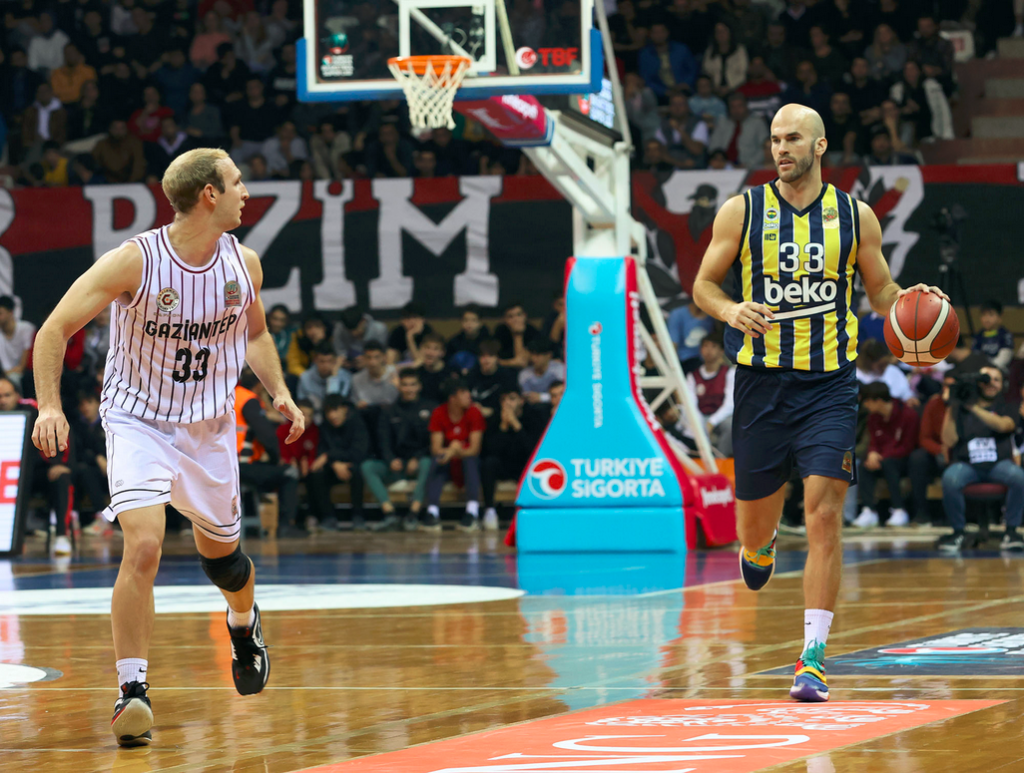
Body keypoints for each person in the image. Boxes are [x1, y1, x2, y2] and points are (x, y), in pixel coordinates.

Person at [29, 147, 305, 746]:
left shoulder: (245, 265)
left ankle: (242, 621)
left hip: (208, 431)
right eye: (236, 183)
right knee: (145, 545)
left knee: (226, 564)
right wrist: (49, 404)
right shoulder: (135, 262)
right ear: (209, 194)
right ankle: (132, 691)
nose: (245, 193)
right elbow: (53, 328)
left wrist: (278, 390)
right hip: (138, 421)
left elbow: (254, 335)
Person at [692, 103, 948, 703]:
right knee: (754, 531)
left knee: (825, 512)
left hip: (830, 384)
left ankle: (813, 659)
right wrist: (730, 309)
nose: (781, 148)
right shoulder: (742, 210)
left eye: (793, 139)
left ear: (820, 145)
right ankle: (759, 545)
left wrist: (910, 300)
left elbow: (879, 287)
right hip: (760, 384)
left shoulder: (855, 217)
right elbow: (704, 284)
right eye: (775, 140)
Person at [937, 366, 1023, 553]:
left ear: (1003, 384)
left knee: (1019, 477)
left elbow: (1004, 426)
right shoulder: (959, 408)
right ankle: (958, 532)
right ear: (977, 383)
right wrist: (953, 405)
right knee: (950, 478)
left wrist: (973, 407)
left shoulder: (1007, 405)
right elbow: (948, 440)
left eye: (996, 380)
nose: (991, 384)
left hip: (998, 464)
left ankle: (1011, 532)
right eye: (986, 379)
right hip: (968, 464)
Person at [362, 368, 434, 532]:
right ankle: (390, 514)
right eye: (405, 385)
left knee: (427, 462)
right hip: (396, 465)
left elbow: (433, 442)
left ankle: (413, 514)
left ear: (419, 387)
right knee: (368, 466)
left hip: (419, 464)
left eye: (412, 385)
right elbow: (383, 440)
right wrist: (390, 459)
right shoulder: (389, 411)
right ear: (399, 387)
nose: (409, 389)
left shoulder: (430, 408)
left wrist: (417, 457)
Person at [853, 382, 919, 528]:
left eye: (867, 402)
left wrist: (881, 456)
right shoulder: (873, 418)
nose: (865, 406)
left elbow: (907, 446)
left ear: (878, 401)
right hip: (882, 458)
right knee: (864, 465)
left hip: (903, 460)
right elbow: (873, 441)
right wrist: (872, 454)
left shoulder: (908, 414)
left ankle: (899, 510)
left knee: (889, 463)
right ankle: (869, 510)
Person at [424, 378, 485, 533]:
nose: (468, 396)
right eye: (463, 393)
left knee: (470, 460)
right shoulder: (439, 412)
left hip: (466, 461)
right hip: (448, 463)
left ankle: (472, 512)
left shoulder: (474, 412)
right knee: (437, 460)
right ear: (453, 398)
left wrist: (455, 450)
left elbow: (474, 449)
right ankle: (432, 512)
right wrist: (452, 450)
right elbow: (436, 448)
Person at [306, 394, 369, 531]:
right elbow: (320, 452)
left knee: (358, 471)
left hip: (352, 464)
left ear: (344, 409)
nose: (332, 415)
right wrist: (334, 463)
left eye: (335, 410)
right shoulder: (324, 427)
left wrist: (330, 456)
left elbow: (359, 452)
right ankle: (328, 517)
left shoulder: (357, 423)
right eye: (328, 411)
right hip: (333, 467)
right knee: (316, 474)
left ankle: (358, 516)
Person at [480, 390, 533, 533]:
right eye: (504, 400)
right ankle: (490, 510)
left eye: (512, 398)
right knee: (489, 463)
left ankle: (530, 513)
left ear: (521, 401)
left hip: (524, 466)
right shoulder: (495, 419)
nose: (508, 403)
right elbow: (491, 451)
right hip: (503, 466)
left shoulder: (531, 417)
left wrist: (516, 425)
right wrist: (503, 427)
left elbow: (532, 450)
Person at [685, 331, 735, 456]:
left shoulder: (730, 373)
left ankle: (721, 459)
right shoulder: (693, 376)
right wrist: (699, 424)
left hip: (721, 417)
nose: (708, 350)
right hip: (699, 416)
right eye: (705, 346)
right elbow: (690, 404)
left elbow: (730, 404)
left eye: (713, 346)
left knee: (731, 426)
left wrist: (711, 422)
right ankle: (693, 459)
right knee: (685, 422)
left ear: (721, 351)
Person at [708, 92, 769, 170]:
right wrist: (721, 162)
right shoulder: (722, 123)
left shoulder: (758, 123)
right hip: (723, 167)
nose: (736, 110)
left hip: (751, 168)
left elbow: (765, 149)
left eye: (739, 106)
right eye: (733, 107)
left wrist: (749, 164)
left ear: (746, 106)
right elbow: (713, 147)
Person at [297, 341, 350, 421]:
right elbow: (302, 406)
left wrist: (333, 377)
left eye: (330, 361)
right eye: (322, 361)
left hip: (335, 420)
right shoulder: (305, 378)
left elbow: (334, 405)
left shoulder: (345, 377)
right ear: (315, 360)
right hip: (313, 420)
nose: (326, 366)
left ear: (335, 361)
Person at [467, 338, 519, 419]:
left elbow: (511, 402)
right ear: (478, 358)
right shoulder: (472, 375)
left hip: (499, 417)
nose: (486, 360)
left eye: (491, 356)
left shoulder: (507, 376)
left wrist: (492, 411)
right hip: (473, 415)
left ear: (497, 358)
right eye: (483, 356)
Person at [667, 300, 716, 374]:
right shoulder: (677, 314)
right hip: (684, 362)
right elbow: (672, 346)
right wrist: (674, 370)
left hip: (707, 361)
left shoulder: (713, 317)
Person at [0, 296, 36, 391]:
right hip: (6, 374)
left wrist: (12, 372)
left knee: (14, 378)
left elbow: (22, 366)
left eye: (0, 313)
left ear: (11, 312)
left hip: (26, 372)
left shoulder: (27, 329)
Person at [350, 341, 399, 408]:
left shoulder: (396, 374)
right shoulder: (356, 379)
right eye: (368, 357)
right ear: (364, 358)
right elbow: (355, 403)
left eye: (377, 357)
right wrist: (359, 405)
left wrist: (399, 388)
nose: (372, 362)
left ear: (384, 357)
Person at [518, 338, 565, 404]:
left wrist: (542, 397)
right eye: (532, 354)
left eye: (538, 355)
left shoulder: (560, 370)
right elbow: (526, 396)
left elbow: (564, 395)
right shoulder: (524, 374)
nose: (534, 358)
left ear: (549, 355)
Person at [494, 302, 541, 369]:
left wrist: (518, 334)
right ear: (504, 320)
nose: (516, 319)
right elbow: (495, 360)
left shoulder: (532, 331)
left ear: (525, 316)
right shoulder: (500, 332)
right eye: (510, 317)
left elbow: (522, 362)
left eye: (519, 315)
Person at [446, 305, 490, 373]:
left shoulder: (488, 341)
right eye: (465, 320)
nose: (469, 324)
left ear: (480, 323)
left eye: (473, 320)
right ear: (461, 322)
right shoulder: (454, 342)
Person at [973, 300, 1014, 370]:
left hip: (1000, 370)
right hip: (981, 370)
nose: (986, 318)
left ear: (1000, 317)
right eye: (983, 315)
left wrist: (991, 368)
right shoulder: (979, 336)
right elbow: (974, 355)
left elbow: (1005, 355)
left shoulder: (1005, 334)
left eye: (991, 315)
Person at [415, 333, 455, 404]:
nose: (430, 353)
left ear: (442, 353)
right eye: (427, 347)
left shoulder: (450, 375)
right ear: (421, 349)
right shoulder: (415, 373)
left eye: (435, 349)